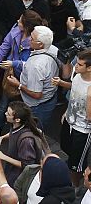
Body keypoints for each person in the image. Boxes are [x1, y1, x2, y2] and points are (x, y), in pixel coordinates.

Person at [5, 25, 60, 128]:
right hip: (50, 97)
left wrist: (18, 85)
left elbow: (37, 94)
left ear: (40, 44)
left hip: (38, 106)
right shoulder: (53, 49)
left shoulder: (35, 66)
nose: (29, 38)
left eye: (32, 38)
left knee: (34, 131)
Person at [54, 49, 91, 186]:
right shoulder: (76, 74)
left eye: (80, 64)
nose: (76, 66)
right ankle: (74, 165)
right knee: (65, 147)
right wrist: (61, 83)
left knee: (76, 164)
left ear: (89, 68)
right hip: (69, 120)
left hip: (83, 129)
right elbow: (74, 87)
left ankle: (75, 185)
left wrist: (89, 98)